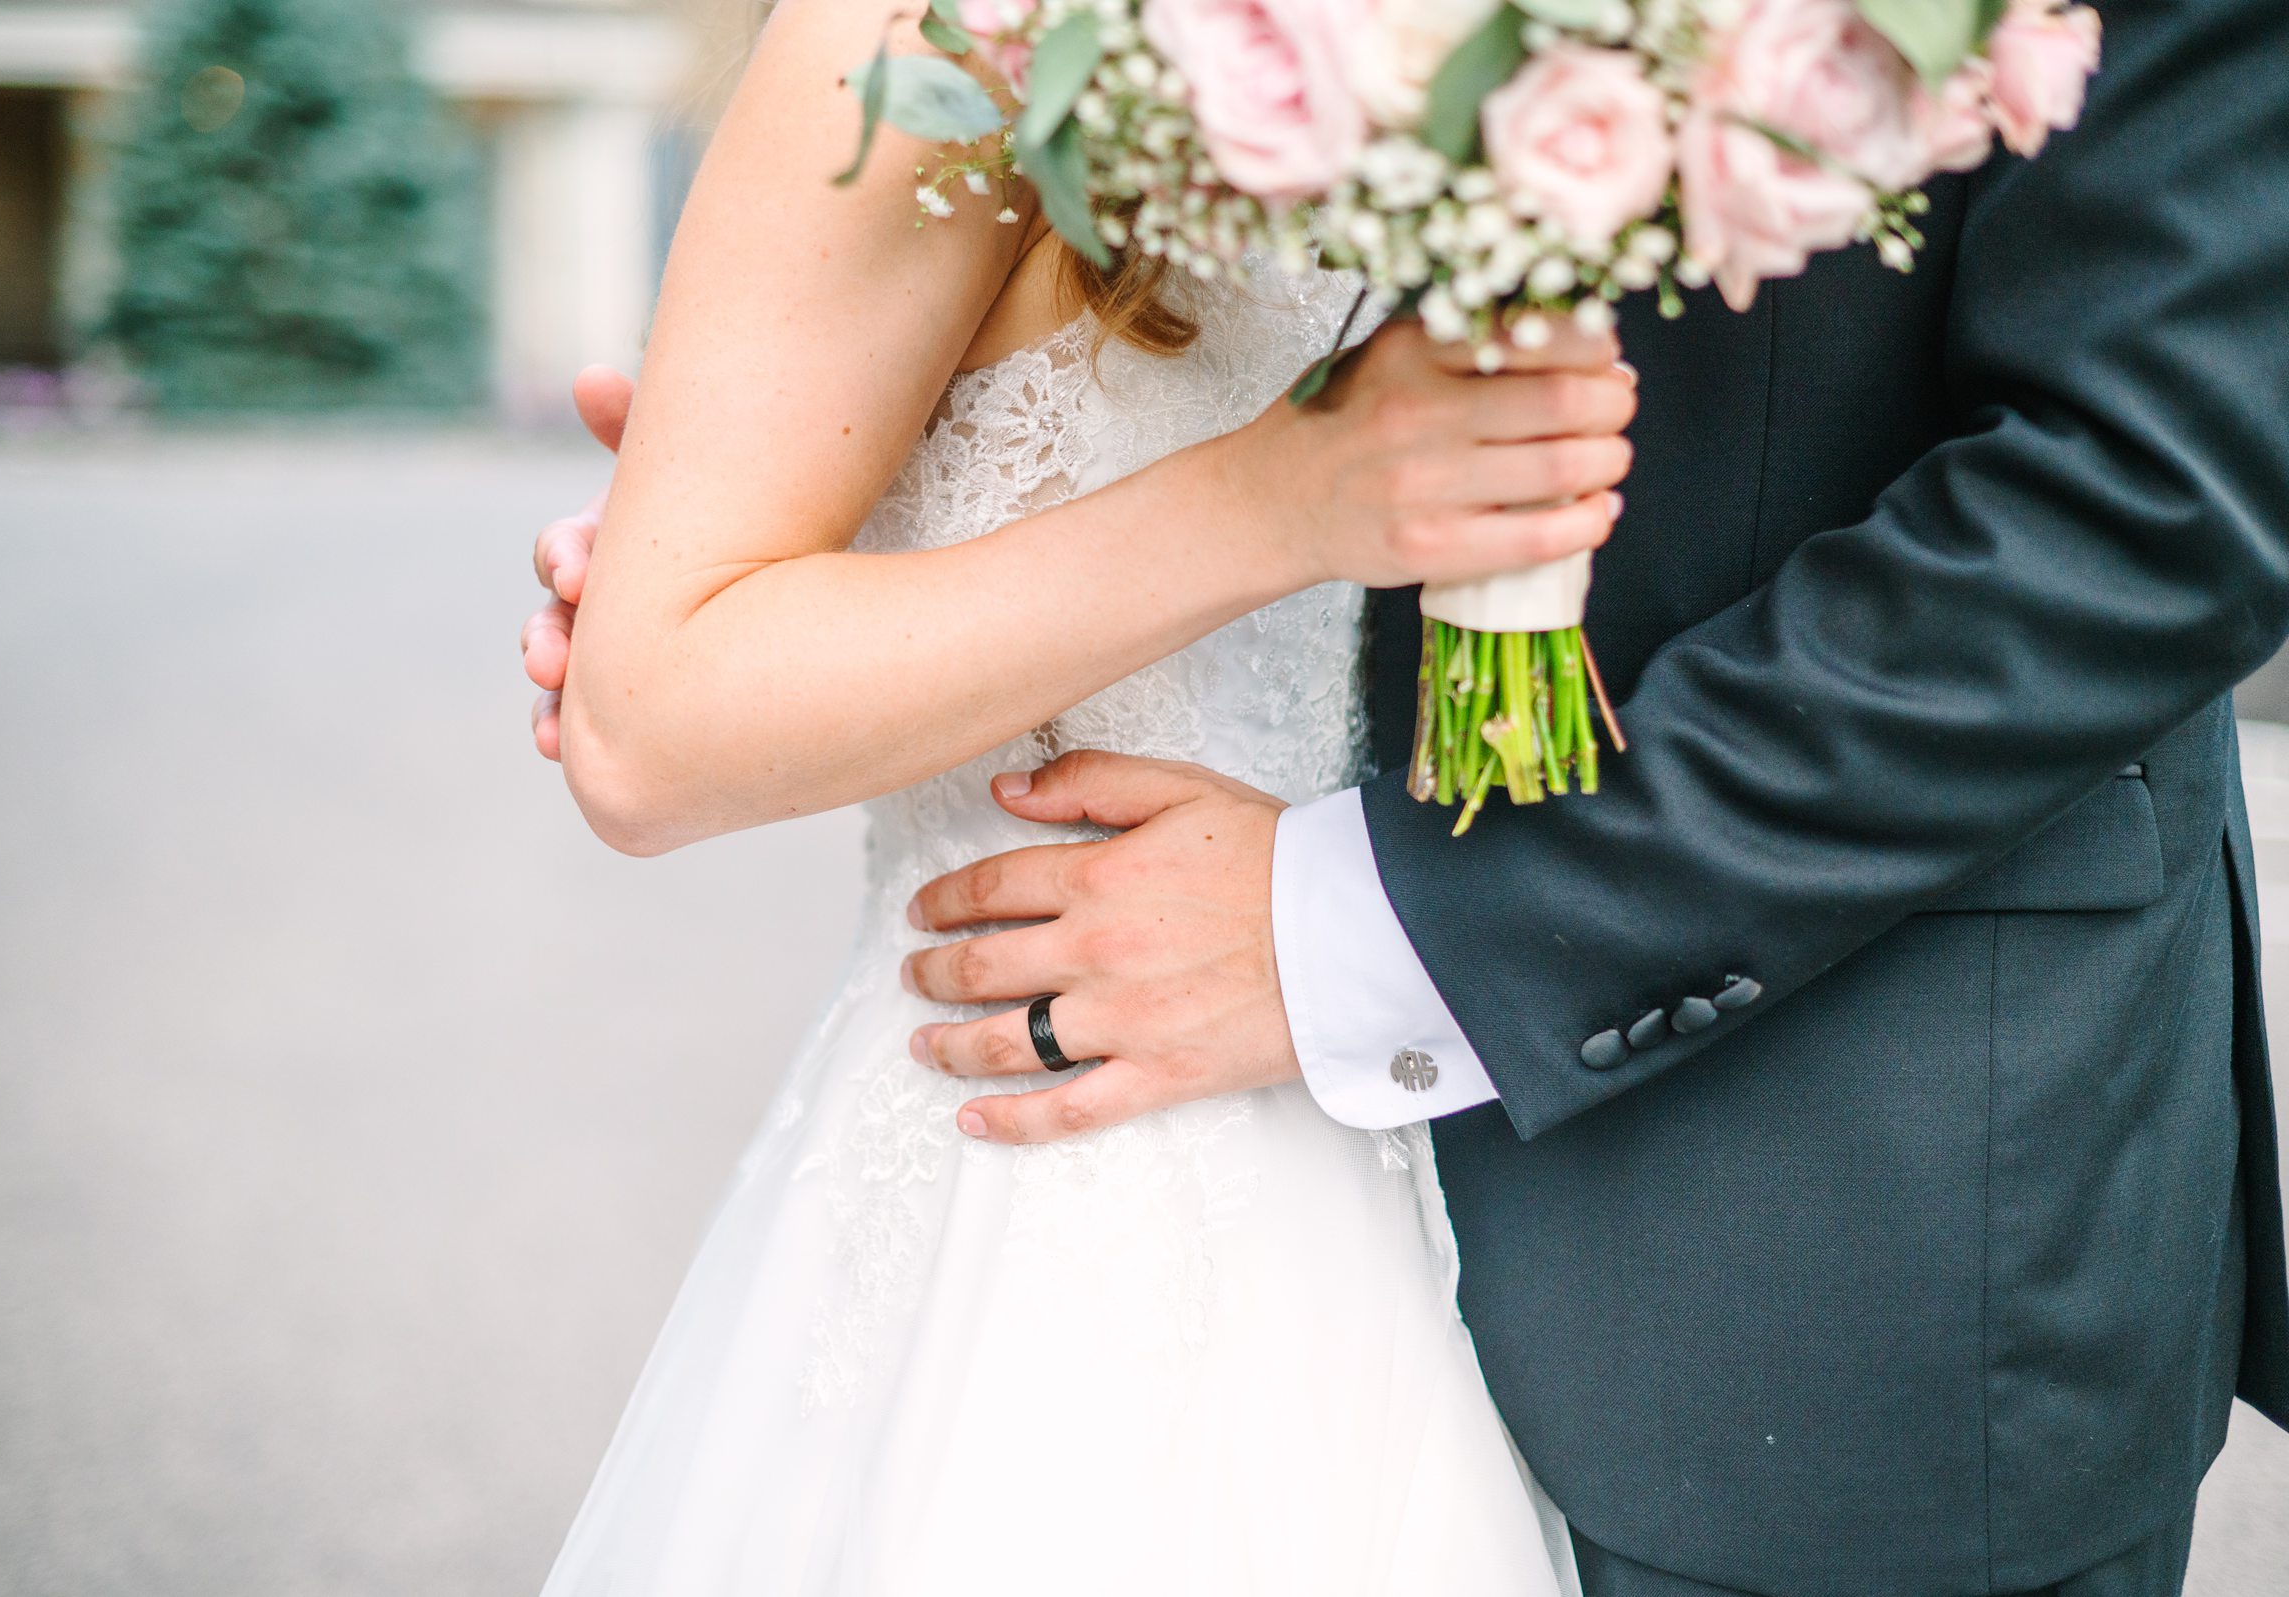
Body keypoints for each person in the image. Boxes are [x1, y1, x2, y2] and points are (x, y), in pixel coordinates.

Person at [527, 0, 2289, 1593]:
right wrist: (875, 492)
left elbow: (2158, 473)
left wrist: (1356, 919)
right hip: (1097, 1193)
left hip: (1828, 1203)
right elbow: (665, 701)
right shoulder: (961, 33)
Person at [518, 0, 1637, 1590]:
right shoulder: (937, 31)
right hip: (1035, 1174)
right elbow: (651, 722)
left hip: (1385, 1161)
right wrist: (1282, 495)